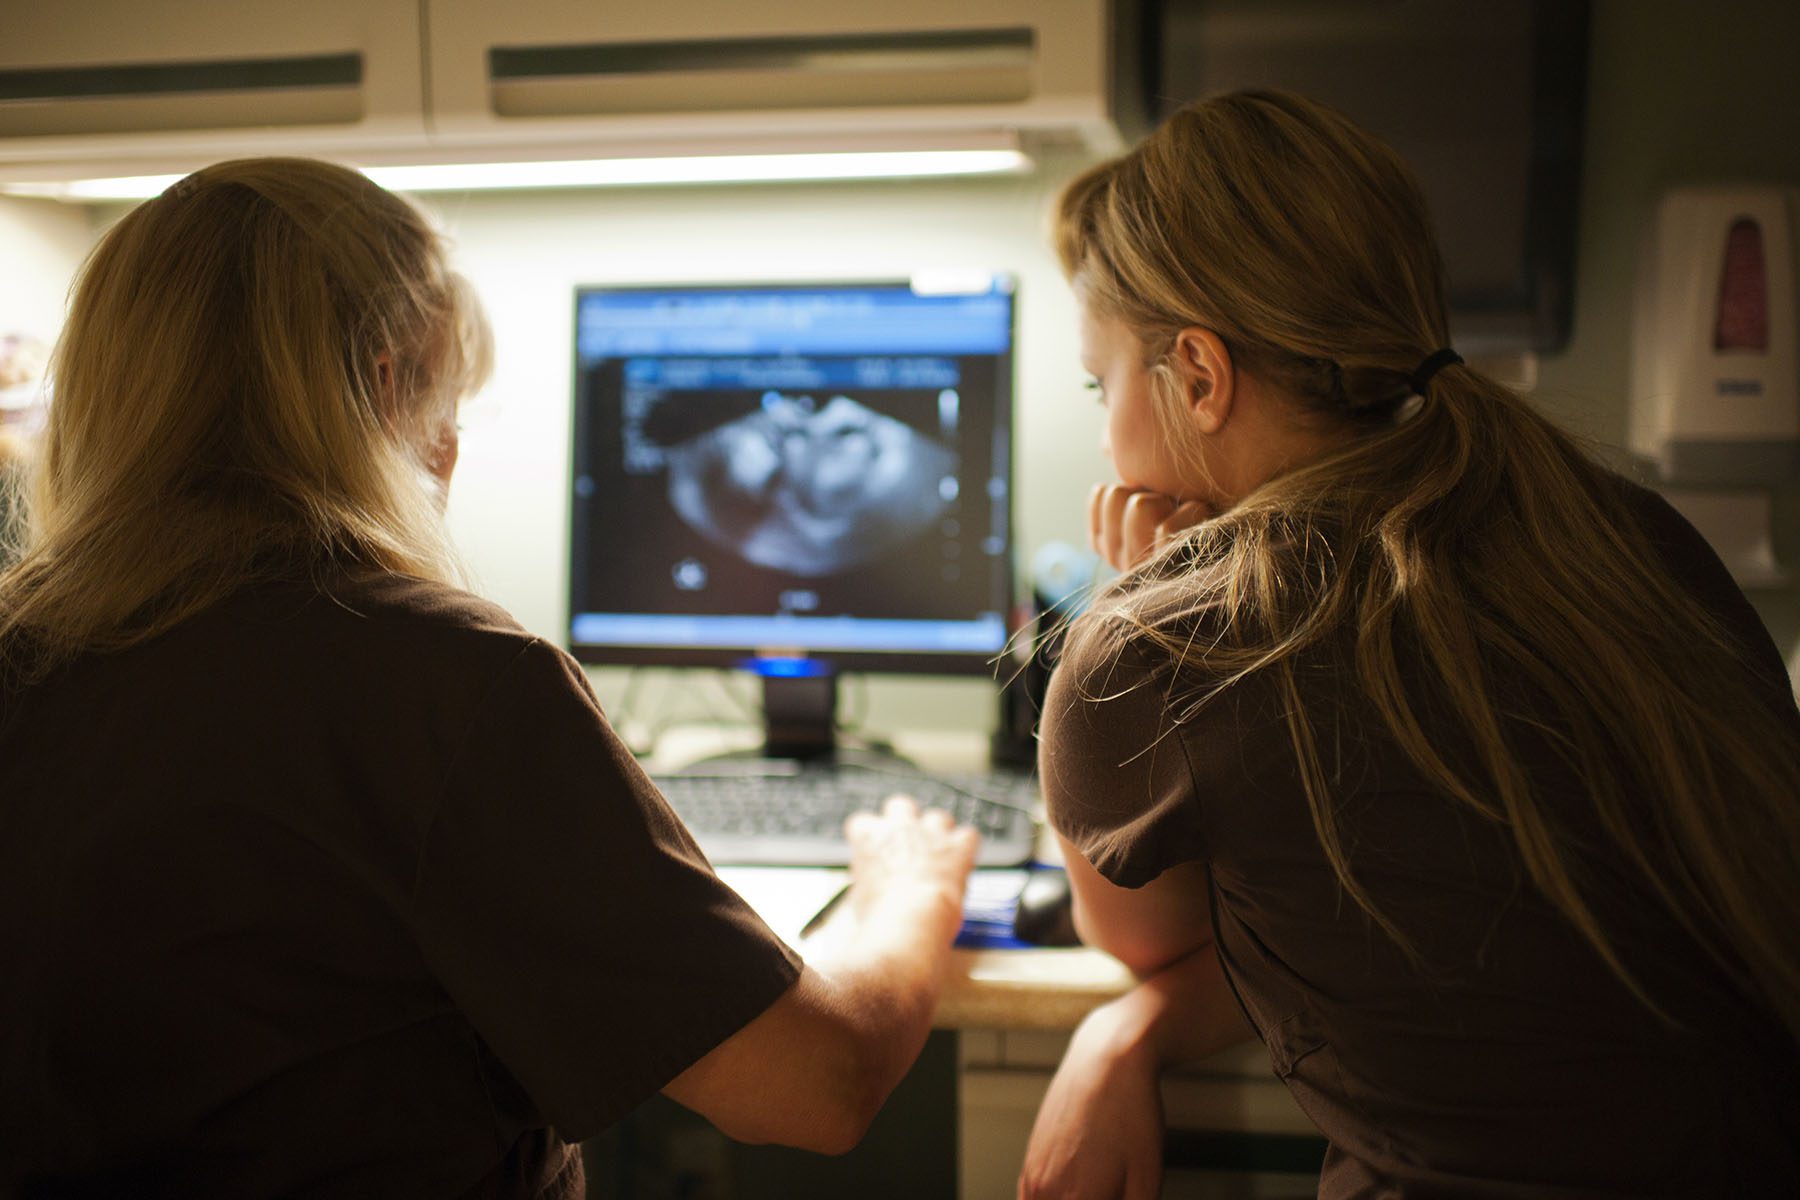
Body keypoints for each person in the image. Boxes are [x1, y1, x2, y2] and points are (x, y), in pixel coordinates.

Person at [0, 157, 978, 1199]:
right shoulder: (443, 682)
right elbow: (815, 1085)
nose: (453, 445)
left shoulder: (27, 658)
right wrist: (908, 897)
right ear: (383, 387)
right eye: (446, 397)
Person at [1019, 90, 1800, 1200]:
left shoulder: (1158, 652)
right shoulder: (1628, 542)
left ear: (1198, 374)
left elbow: (1147, 947)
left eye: (1102, 385)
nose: (1104, 428)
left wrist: (1123, 596)